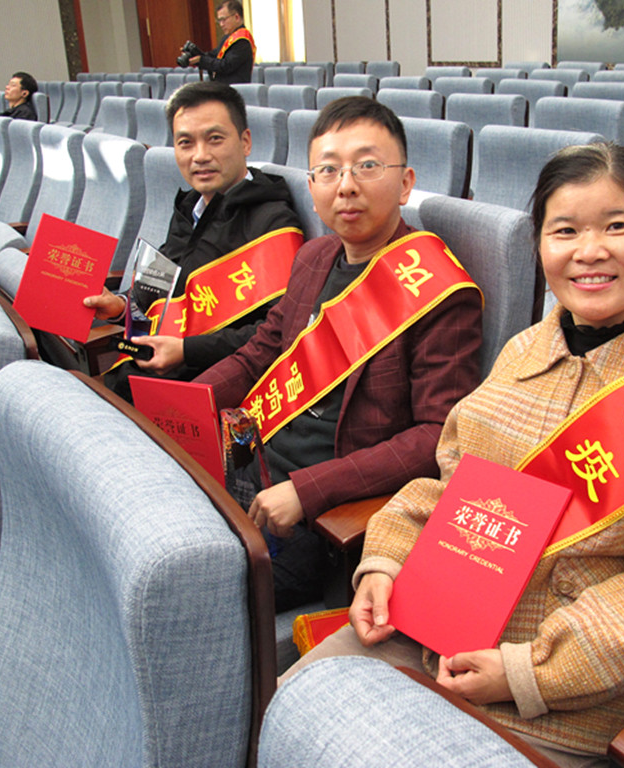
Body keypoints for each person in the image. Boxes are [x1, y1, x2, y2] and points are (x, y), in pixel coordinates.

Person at [284, 143, 624, 767]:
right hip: (431, 626)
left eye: (617, 226)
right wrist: (386, 564)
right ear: (540, 246)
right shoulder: (524, 351)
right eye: (565, 231)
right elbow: (450, 486)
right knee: (295, 712)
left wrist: (525, 672)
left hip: (571, 697)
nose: (589, 251)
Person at [138, 96, 483, 611]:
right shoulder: (313, 258)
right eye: (329, 170)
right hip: (246, 462)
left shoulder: (438, 292)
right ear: (313, 187)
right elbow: (258, 355)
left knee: (179, 590)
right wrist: (180, 409)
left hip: (318, 516)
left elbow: (437, 436)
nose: (346, 185)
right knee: (139, 528)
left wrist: (308, 490)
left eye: (367, 165)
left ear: (406, 182)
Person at [89, 81, 302, 399]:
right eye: (185, 143)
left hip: (201, 387)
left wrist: (187, 351)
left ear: (245, 142)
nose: (200, 156)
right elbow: (161, 286)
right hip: (142, 370)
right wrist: (120, 307)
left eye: (214, 139)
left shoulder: (273, 223)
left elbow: (279, 333)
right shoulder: (190, 207)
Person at [186, 1, 255, 85]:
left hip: (234, 89)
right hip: (221, 87)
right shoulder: (228, 37)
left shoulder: (242, 40)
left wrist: (202, 60)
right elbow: (215, 55)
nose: (221, 24)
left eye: (223, 20)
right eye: (219, 20)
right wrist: (197, 54)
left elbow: (226, 66)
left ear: (236, 17)